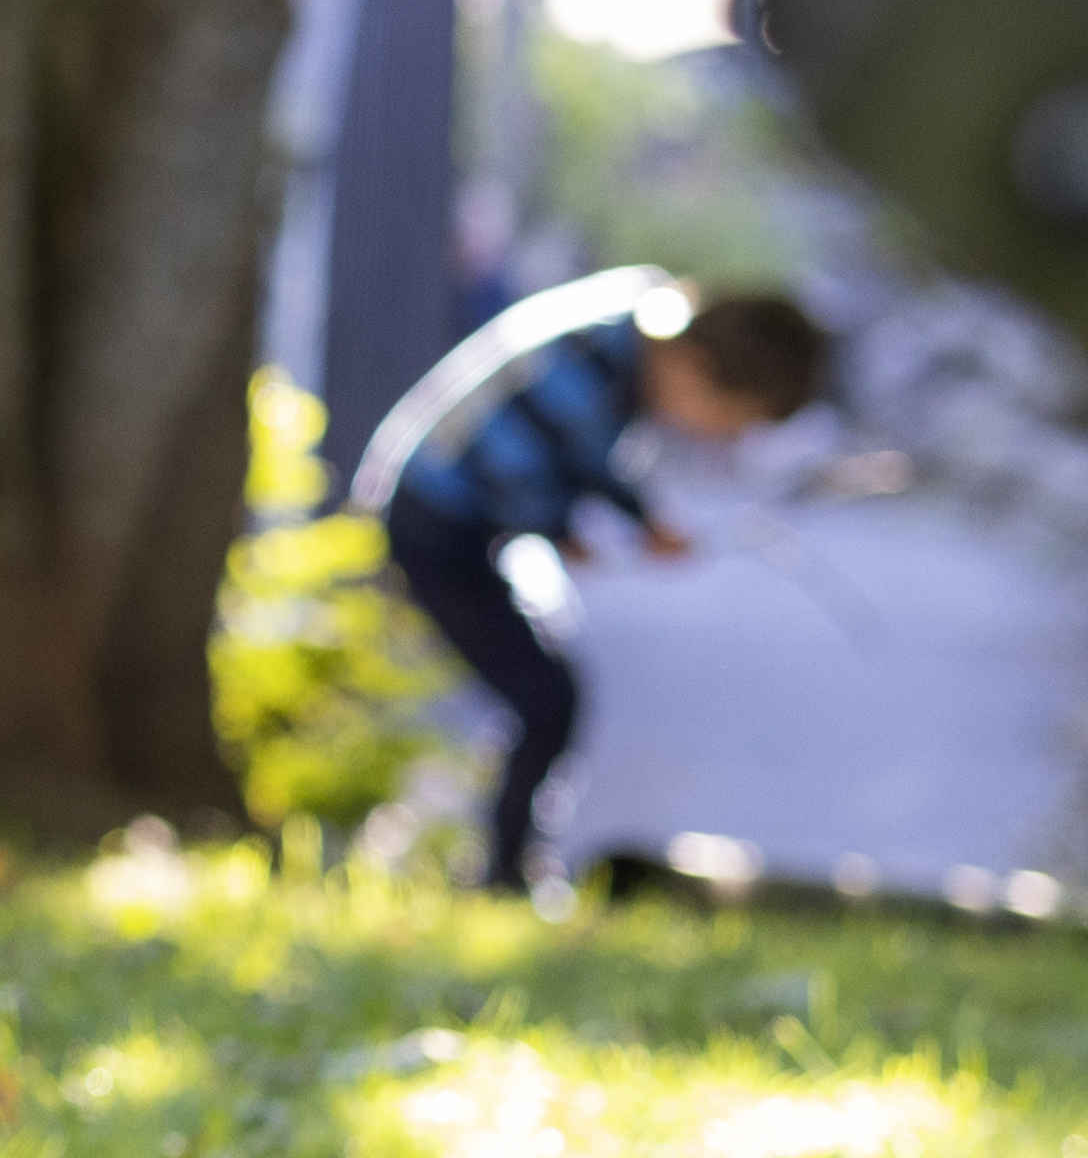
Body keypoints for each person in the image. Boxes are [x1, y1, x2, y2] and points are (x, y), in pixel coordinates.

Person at [350, 275, 837, 895]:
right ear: (692, 366)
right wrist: (562, 527)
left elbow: (577, 453)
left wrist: (636, 520)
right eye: (727, 419)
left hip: (456, 516)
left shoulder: (626, 336)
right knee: (545, 697)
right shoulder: (592, 369)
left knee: (546, 693)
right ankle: (501, 873)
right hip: (435, 525)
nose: (722, 438)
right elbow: (524, 461)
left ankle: (506, 862)